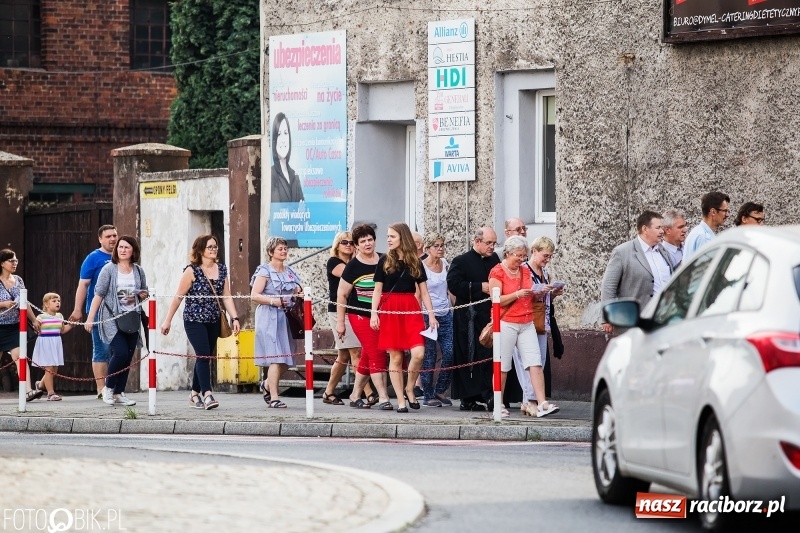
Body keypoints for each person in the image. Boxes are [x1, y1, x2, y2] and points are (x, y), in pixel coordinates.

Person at [160, 234, 240, 410]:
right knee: (203, 354)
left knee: (205, 357)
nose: (213, 249)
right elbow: (178, 297)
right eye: (210, 247)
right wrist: (167, 321)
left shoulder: (222, 269)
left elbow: (226, 296)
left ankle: (194, 394)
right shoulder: (191, 270)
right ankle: (207, 394)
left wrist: (234, 317)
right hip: (194, 320)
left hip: (213, 320)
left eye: (215, 246)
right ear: (200, 250)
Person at [371, 222, 438, 413]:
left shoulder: (415, 262)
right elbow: (377, 290)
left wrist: (431, 316)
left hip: (410, 308)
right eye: (388, 236)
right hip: (390, 309)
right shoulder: (384, 260)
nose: (388, 240)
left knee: (418, 353)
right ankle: (400, 400)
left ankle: (410, 387)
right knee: (396, 357)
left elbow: (424, 292)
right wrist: (374, 313)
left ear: (403, 237)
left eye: (392, 236)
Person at [489, 236, 558, 418]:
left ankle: (542, 403)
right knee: (503, 365)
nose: (521, 259)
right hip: (506, 322)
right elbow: (496, 300)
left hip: (527, 322)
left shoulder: (524, 271)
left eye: (523, 256)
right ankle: (498, 403)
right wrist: (517, 294)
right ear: (508, 253)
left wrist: (541, 292)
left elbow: (530, 295)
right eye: (518, 256)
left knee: (535, 362)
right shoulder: (497, 272)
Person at [86, 236, 148, 407]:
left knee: (128, 356)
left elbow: (144, 293)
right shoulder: (109, 269)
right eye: (120, 247)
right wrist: (90, 318)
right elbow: (98, 294)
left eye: (126, 247)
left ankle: (119, 392)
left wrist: (144, 294)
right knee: (119, 352)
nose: (122, 250)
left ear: (133, 250)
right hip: (111, 317)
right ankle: (108, 387)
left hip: (132, 317)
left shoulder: (138, 271)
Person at [337, 224, 393, 410]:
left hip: (383, 316)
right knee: (376, 353)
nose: (368, 243)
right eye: (363, 241)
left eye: (370, 239)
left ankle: (354, 395)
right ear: (356, 245)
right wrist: (340, 322)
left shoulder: (385, 260)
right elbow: (342, 295)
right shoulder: (353, 266)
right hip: (359, 316)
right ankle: (384, 397)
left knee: (368, 355)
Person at [447, 227, 500, 411]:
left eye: (494, 243)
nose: (492, 247)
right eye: (489, 243)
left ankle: (489, 395)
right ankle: (468, 398)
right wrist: (480, 287)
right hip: (468, 318)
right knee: (469, 355)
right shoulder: (461, 261)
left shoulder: (494, 260)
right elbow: (454, 284)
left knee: (488, 355)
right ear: (477, 242)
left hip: (488, 315)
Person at [321, 231, 375, 406]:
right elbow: (351, 274)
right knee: (356, 351)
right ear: (337, 245)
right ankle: (366, 393)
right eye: (345, 242)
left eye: (352, 243)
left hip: (354, 309)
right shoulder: (334, 262)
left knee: (343, 356)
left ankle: (328, 392)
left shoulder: (355, 262)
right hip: (339, 311)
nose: (349, 245)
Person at [250, 237, 303, 409]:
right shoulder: (264, 271)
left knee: (287, 359)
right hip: (269, 316)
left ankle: (266, 385)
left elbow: (297, 290)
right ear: (271, 252)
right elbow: (254, 295)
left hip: (287, 318)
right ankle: (274, 397)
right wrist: (275, 302)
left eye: (285, 248)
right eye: (280, 248)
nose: (284, 251)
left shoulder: (289, 271)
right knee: (275, 356)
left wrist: (300, 294)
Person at [600, 211, 674, 334]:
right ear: (645, 229)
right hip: (635, 321)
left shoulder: (663, 251)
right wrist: (607, 318)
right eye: (658, 228)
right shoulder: (622, 252)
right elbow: (608, 286)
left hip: (664, 319)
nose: (662, 231)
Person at [69, 224, 118, 398]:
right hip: (98, 313)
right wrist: (78, 309)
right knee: (102, 350)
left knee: (119, 351)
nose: (112, 239)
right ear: (100, 239)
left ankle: (115, 388)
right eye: (108, 236)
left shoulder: (122, 256)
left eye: (114, 235)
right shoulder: (93, 258)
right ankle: (101, 388)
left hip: (120, 312)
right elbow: (83, 284)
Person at [519, 237, 564, 415]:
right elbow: (523, 296)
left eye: (550, 256)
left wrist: (553, 294)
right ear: (534, 251)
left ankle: (528, 402)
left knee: (540, 362)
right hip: (527, 321)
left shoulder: (544, 272)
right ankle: (531, 401)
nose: (547, 259)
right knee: (530, 363)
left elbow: (543, 300)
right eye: (545, 255)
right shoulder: (525, 270)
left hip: (541, 321)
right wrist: (538, 292)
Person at [420, 233, 454, 407]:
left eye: (442, 245)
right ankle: (427, 394)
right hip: (427, 314)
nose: (440, 249)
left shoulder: (445, 264)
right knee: (429, 355)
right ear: (427, 249)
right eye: (436, 246)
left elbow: (449, 290)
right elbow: (420, 293)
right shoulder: (422, 267)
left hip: (446, 313)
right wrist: (427, 315)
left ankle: (440, 390)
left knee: (450, 352)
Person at [0, 249, 39, 400]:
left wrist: (34, 320)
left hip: (14, 326)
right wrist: (3, 304)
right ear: (2, 263)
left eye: (16, 260)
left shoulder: (18, 280)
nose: (15, 263)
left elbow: (25, 303)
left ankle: (27, 390)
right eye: (11, 260)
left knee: (20, 357)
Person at [32, 293, 73, 401]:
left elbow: (62, 330)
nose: (57, 303)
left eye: (58, 301)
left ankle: (40, 385)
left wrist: (72, 325)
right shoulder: (41, 317)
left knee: (54, 369)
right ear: (46, 304)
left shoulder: (60, 316)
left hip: (56, 343)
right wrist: (35, 326)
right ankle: (51, 393)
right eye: (54, 301)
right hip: (45, 343)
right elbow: (36, 327)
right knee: (49, 368)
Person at [684, 191, 730, 261]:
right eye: (725, 211)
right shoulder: (704, 237)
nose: (727, 215)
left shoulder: (697, 232)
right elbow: (703, 269)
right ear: (713, 212)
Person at [270, 112, 304, 203]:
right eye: (279, 134)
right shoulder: (272, 175)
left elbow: (304, 213)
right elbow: (277, 211)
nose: (283, 140)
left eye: (285, 133)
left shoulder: (295, 177)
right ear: (274, 140)